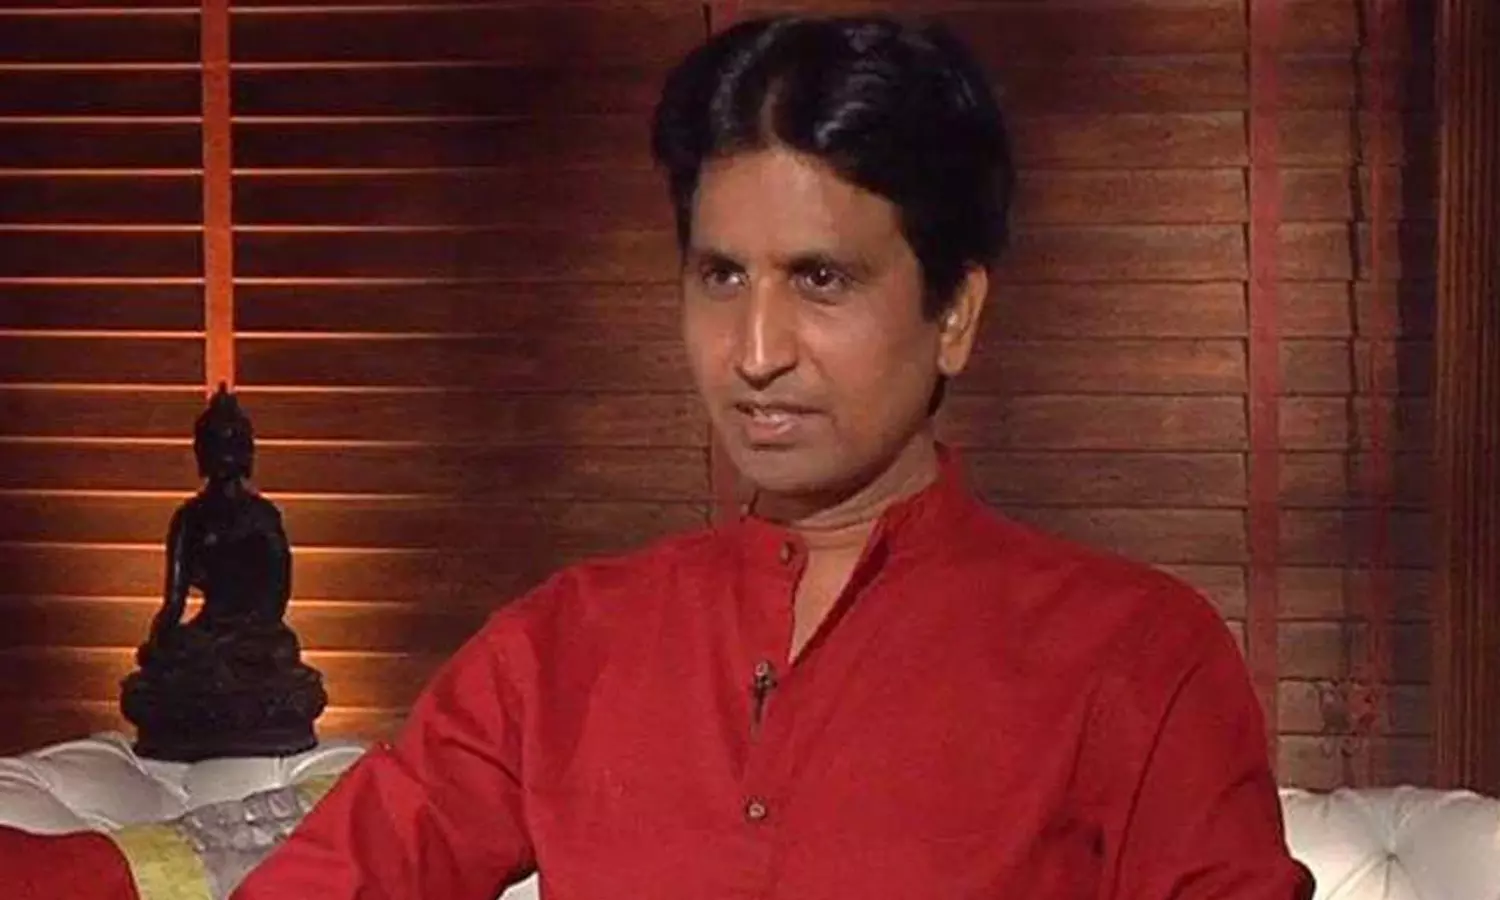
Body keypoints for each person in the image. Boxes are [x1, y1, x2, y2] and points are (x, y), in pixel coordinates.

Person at [233, 14, 1315, 899]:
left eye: (821, 280)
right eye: (721, 277)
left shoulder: (1134, 657)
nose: (755, 353)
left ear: (955, 313)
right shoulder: (561, 649)